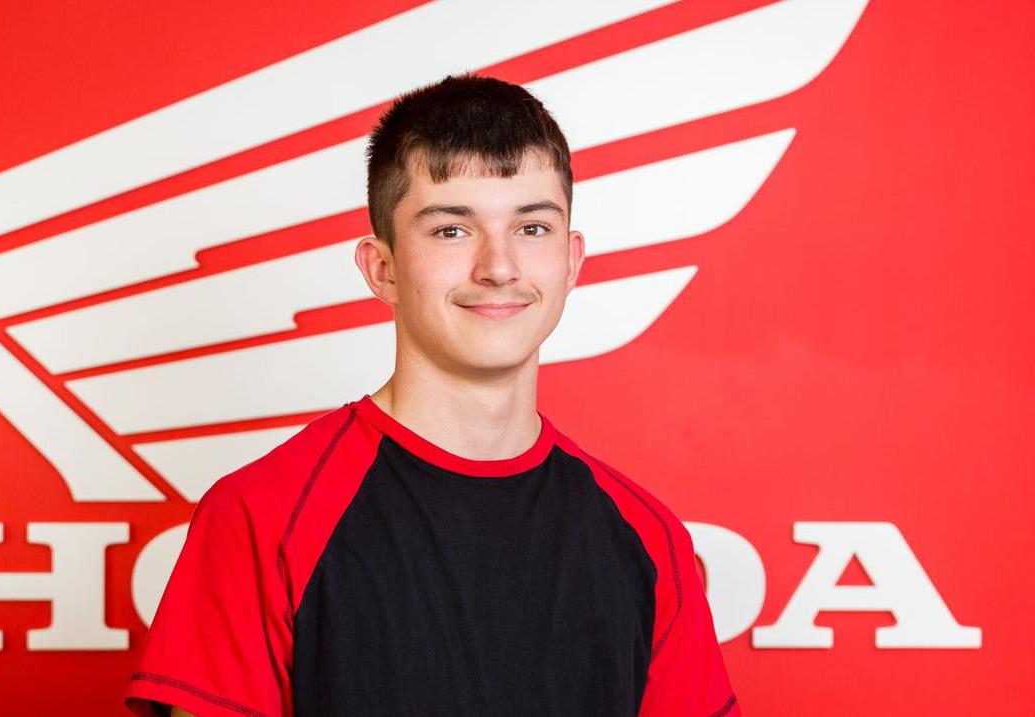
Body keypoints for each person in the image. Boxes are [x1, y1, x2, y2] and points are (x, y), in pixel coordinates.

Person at [124, 71, 740, 717]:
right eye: (452, 229)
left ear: (571, 260)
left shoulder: (648, 537)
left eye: (533, 227)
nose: (498, 266)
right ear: (382, 268)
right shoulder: (262, 517)